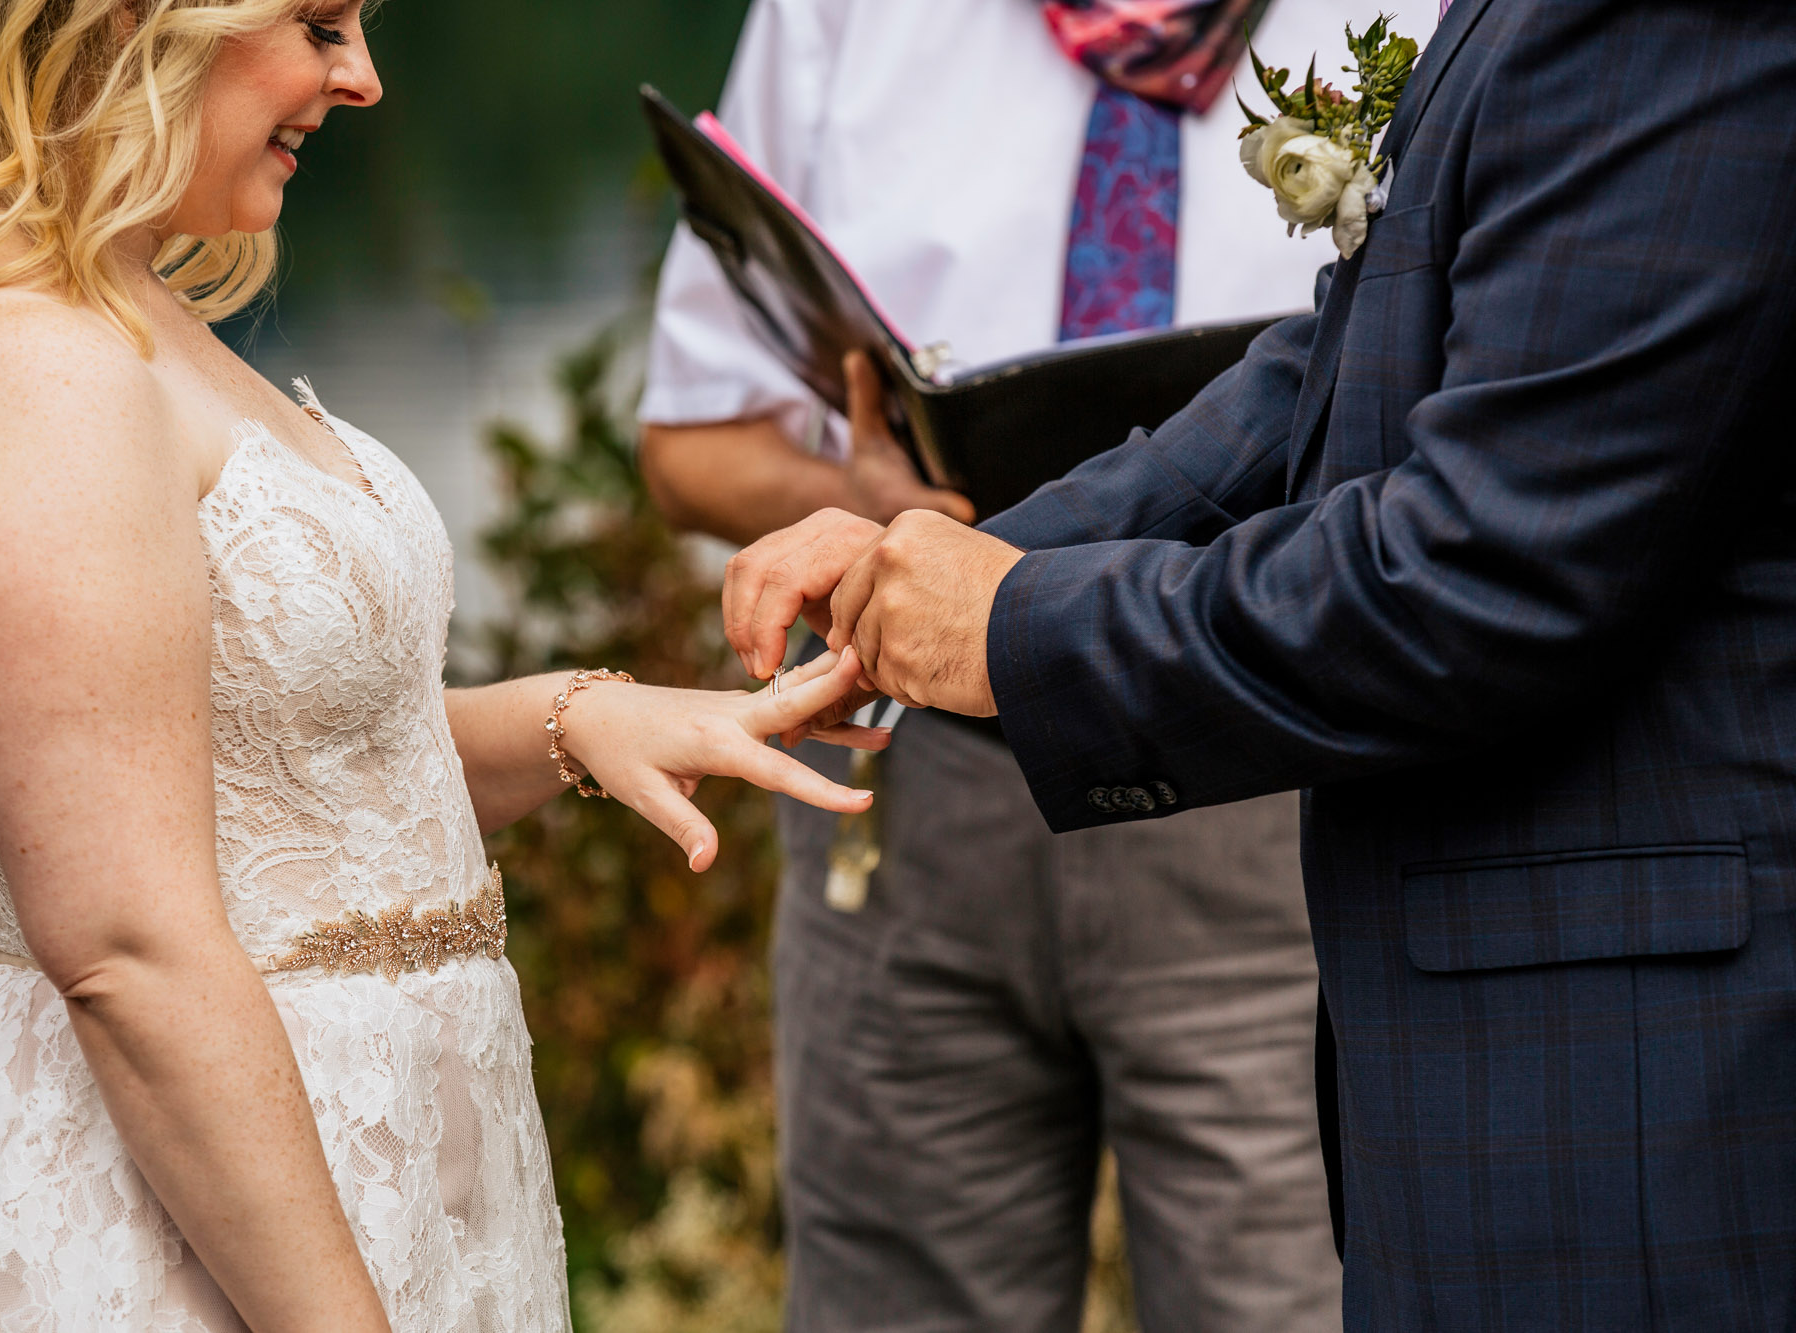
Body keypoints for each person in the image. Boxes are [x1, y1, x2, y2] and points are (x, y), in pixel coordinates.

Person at [0, 0, 888, 1327]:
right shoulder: (21, 359)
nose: (362, 79)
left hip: (335, 1186)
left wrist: (579, 714)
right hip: (168, 1232)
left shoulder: (106, 304)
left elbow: (274, 781)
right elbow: (129, 952)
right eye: (316, 20)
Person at [726, 0, 1796, 1324]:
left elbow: (1485, 568)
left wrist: (1021, 628)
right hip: (1491, 1041)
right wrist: (955, 575)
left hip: (1621, 1071)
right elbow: (1338, 374)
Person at [638, 2, 1429, 1328]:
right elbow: (691, 436)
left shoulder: (1434, 20)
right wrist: (863, 494)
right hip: (905, 795)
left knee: (1288, 1300)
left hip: (1268, 789)